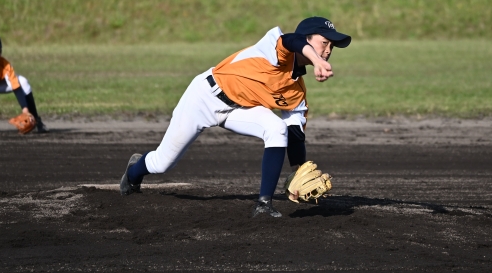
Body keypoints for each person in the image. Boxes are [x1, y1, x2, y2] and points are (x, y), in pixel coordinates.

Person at [120, 17, 351, 217]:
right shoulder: (275, 48)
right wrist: (317, 60)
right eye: (324, 42)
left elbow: (295, 134)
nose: (328, 50)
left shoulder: (296, 92)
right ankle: (133, 172)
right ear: (306, 40)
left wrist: (298, 172)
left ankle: (263, 205)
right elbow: (291, 40)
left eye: (331, 46)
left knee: (277, 128)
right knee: (163, 163)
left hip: (239, 110)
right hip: (204, 97)